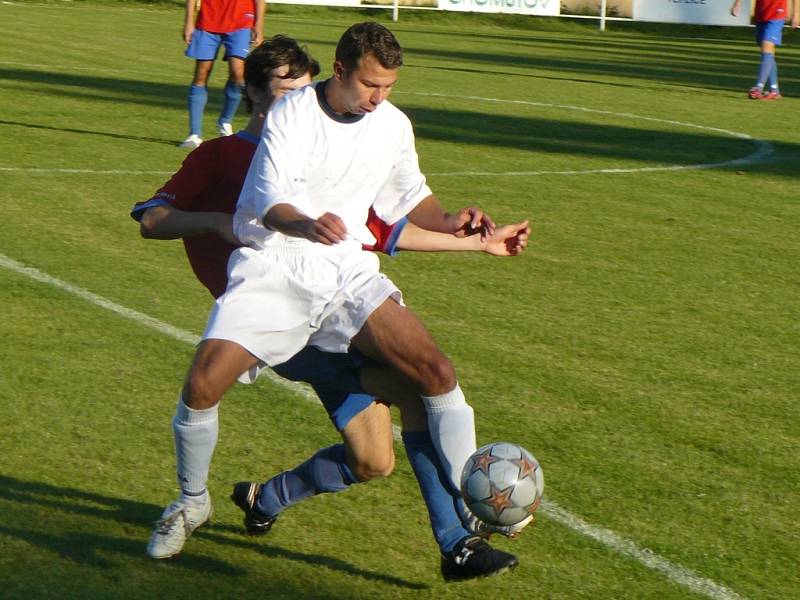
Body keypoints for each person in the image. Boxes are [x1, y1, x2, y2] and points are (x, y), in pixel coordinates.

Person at [138, 26, 530, 579]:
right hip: (276, 266)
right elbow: (269, 205)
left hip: (342, 272)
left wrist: (458, 226)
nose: (380, 97)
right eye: (371, 84)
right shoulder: (291, 115)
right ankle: (191, 501)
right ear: (340, 71)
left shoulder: (391, 124)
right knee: (201, 386)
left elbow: (407, 200)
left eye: (389, 86)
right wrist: (304, 222)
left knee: (431, 375)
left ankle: (465, 519)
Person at [179, 0, 266, 148]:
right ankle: (194, 133)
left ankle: (225, 122)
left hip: (241, 21)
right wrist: (189, 21)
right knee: (201, 74)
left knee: (238, 74)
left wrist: (258, 25)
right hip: (208, 21)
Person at [731, 0, 799, 99]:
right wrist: (737, 3)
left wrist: (796, 14)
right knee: (768, 52)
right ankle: (774, 90)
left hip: (777, 13)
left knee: (766, 47)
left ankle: (759, 87)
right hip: (761, 13)